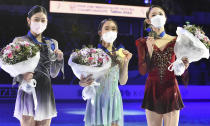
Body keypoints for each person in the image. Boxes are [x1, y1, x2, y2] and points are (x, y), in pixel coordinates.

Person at [136, 5, 189, 126]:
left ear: (165, 18)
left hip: (171, 90)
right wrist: (149, 50)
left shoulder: (176, 41)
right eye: (153, 15)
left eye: (160, 14)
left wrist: (184, 66)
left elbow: (181, 72)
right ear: (148, 21)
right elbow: (143, 71)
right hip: (152, 91)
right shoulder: (142, 42)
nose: (157, 17)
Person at [13, 5, 64, 126]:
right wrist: (22, 77)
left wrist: (59, 60)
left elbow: (53, 73)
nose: (39, 23)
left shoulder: (52, 43)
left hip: (45, 91)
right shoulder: (19, 41)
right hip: (28, 90)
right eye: (36, 19)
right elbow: (13, 69)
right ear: (28, 20)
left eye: (43, 20)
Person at [79, 19, 132, 126]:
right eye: (106, 28)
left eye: (113, 29)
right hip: (96, 98)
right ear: (100, 32)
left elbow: (122, 82)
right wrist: (83, 83)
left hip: (114, 99)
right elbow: (81, 81)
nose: (110, 31)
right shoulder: (92, 54)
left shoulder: (120, 54)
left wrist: (126, 62)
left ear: (117, 33)